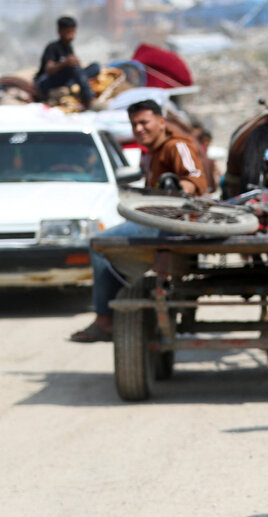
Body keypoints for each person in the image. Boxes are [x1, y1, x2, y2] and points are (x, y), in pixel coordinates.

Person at [70, 100, 207, 343]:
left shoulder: (177, 145)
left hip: (172, 224)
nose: (139, 129)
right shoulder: (152, 154)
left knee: (100, 244)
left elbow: (195, 179)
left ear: (162, 122)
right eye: (135, 125)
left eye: (144, 122)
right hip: (157, 222)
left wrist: (177, 189)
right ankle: (124, 295)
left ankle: (106, 320)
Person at [34, 16, 100, 109]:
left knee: (95, 67)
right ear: (60, 32)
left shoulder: (69, 48)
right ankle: (89, 99)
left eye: (73, 32)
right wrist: (65, 63)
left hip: (66, 80)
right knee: (74, 68)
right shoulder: (53, 47)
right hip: (48, 82)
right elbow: (49, 70)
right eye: (68, 32)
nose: (71, 35)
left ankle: (77, 89)